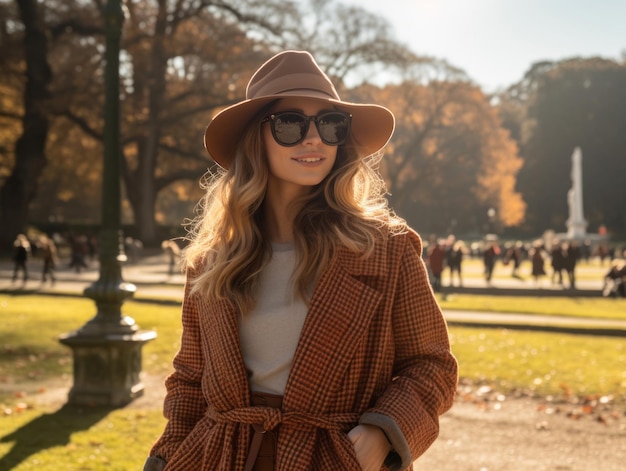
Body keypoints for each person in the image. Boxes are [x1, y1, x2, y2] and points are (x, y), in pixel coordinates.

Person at [143, 50, 458, 471]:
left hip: (332, 459)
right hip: (219, 458)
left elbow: (432, 364)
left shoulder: (387, 248)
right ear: (256, 139)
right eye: (290, 124)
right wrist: (166, 458)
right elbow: (189, 379)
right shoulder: (212, 259)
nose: (314, 139)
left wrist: (382, 433)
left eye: (331, 125)